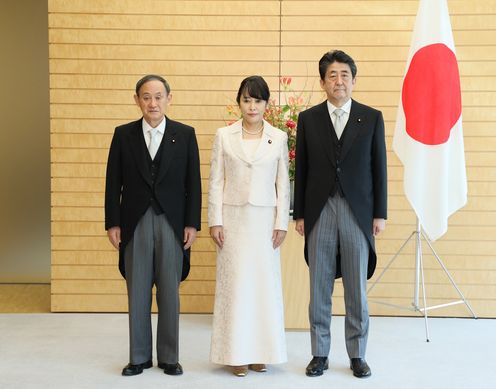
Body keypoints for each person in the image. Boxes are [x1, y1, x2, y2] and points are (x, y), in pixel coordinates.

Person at [293, 50, 387, 379]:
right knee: (319, 285)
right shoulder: (308, 119)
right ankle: (319, 353)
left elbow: (379, 169)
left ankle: (357, 354)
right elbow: (301, 169)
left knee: (356, 288)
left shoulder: (371, 117)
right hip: (319, 210)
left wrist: (380, 213)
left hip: (357, 211)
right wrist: (299, 213)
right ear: (323, 82)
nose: (339, 81)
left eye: (345, 74)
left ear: (354, 80)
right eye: (332, 75)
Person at [105, 74, 202, 377]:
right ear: (137, 100)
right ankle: (139, 357)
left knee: (170, 292)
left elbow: (193, 184)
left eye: (158, 96)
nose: (152, 102)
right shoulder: (123, 135)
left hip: (172, 223)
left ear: (169, 99)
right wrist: (113, 223)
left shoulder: (185, 135)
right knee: (138, 290)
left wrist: (191, 223)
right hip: (134, 222)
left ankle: (170, 357)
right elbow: (113, 183)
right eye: (146, 97)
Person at [208, 76, 290, 377]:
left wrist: (281, 222)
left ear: (266, 104)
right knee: (236, 287)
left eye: (257, 100)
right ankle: (235, 354)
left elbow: (283, 184)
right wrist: (214, 220)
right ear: (239, 102)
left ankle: (261, 353)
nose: (252, 106)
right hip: (233, 221)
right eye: (246, 100)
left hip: (265, 222)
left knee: (263, 287)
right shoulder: (224, 135)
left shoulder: (278, 137)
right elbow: (216, 181)